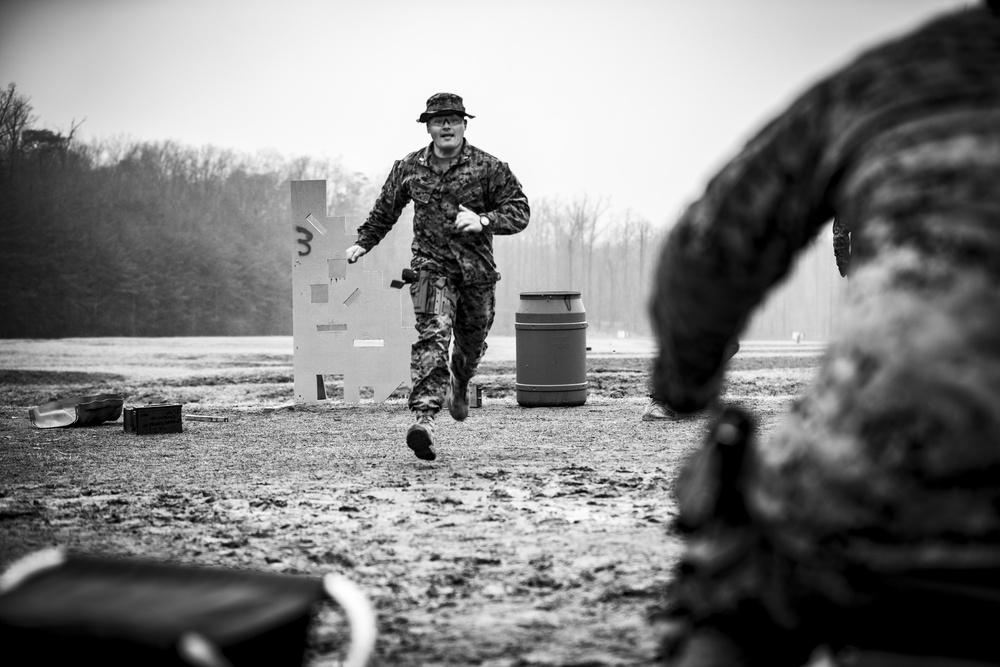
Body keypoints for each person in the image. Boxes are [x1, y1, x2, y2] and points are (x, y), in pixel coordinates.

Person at [648, 3, 1000, 665]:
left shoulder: (896, 78)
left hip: (871, 505)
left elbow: (708, 255)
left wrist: (684, 384)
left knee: (734, 589)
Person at [345, 93, 529, 462]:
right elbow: (385, 211)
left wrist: (484, 220)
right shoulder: (409, 168)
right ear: (428, 127)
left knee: (470, 346)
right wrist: (363, 243)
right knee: (432, 337)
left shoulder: (488, 167)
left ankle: (459, 383)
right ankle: (424, 420)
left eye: (453, 119)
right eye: (438, 120)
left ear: (464, 125)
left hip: (477, 274)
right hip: (430, 269)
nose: (446, 125)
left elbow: (519, 210)